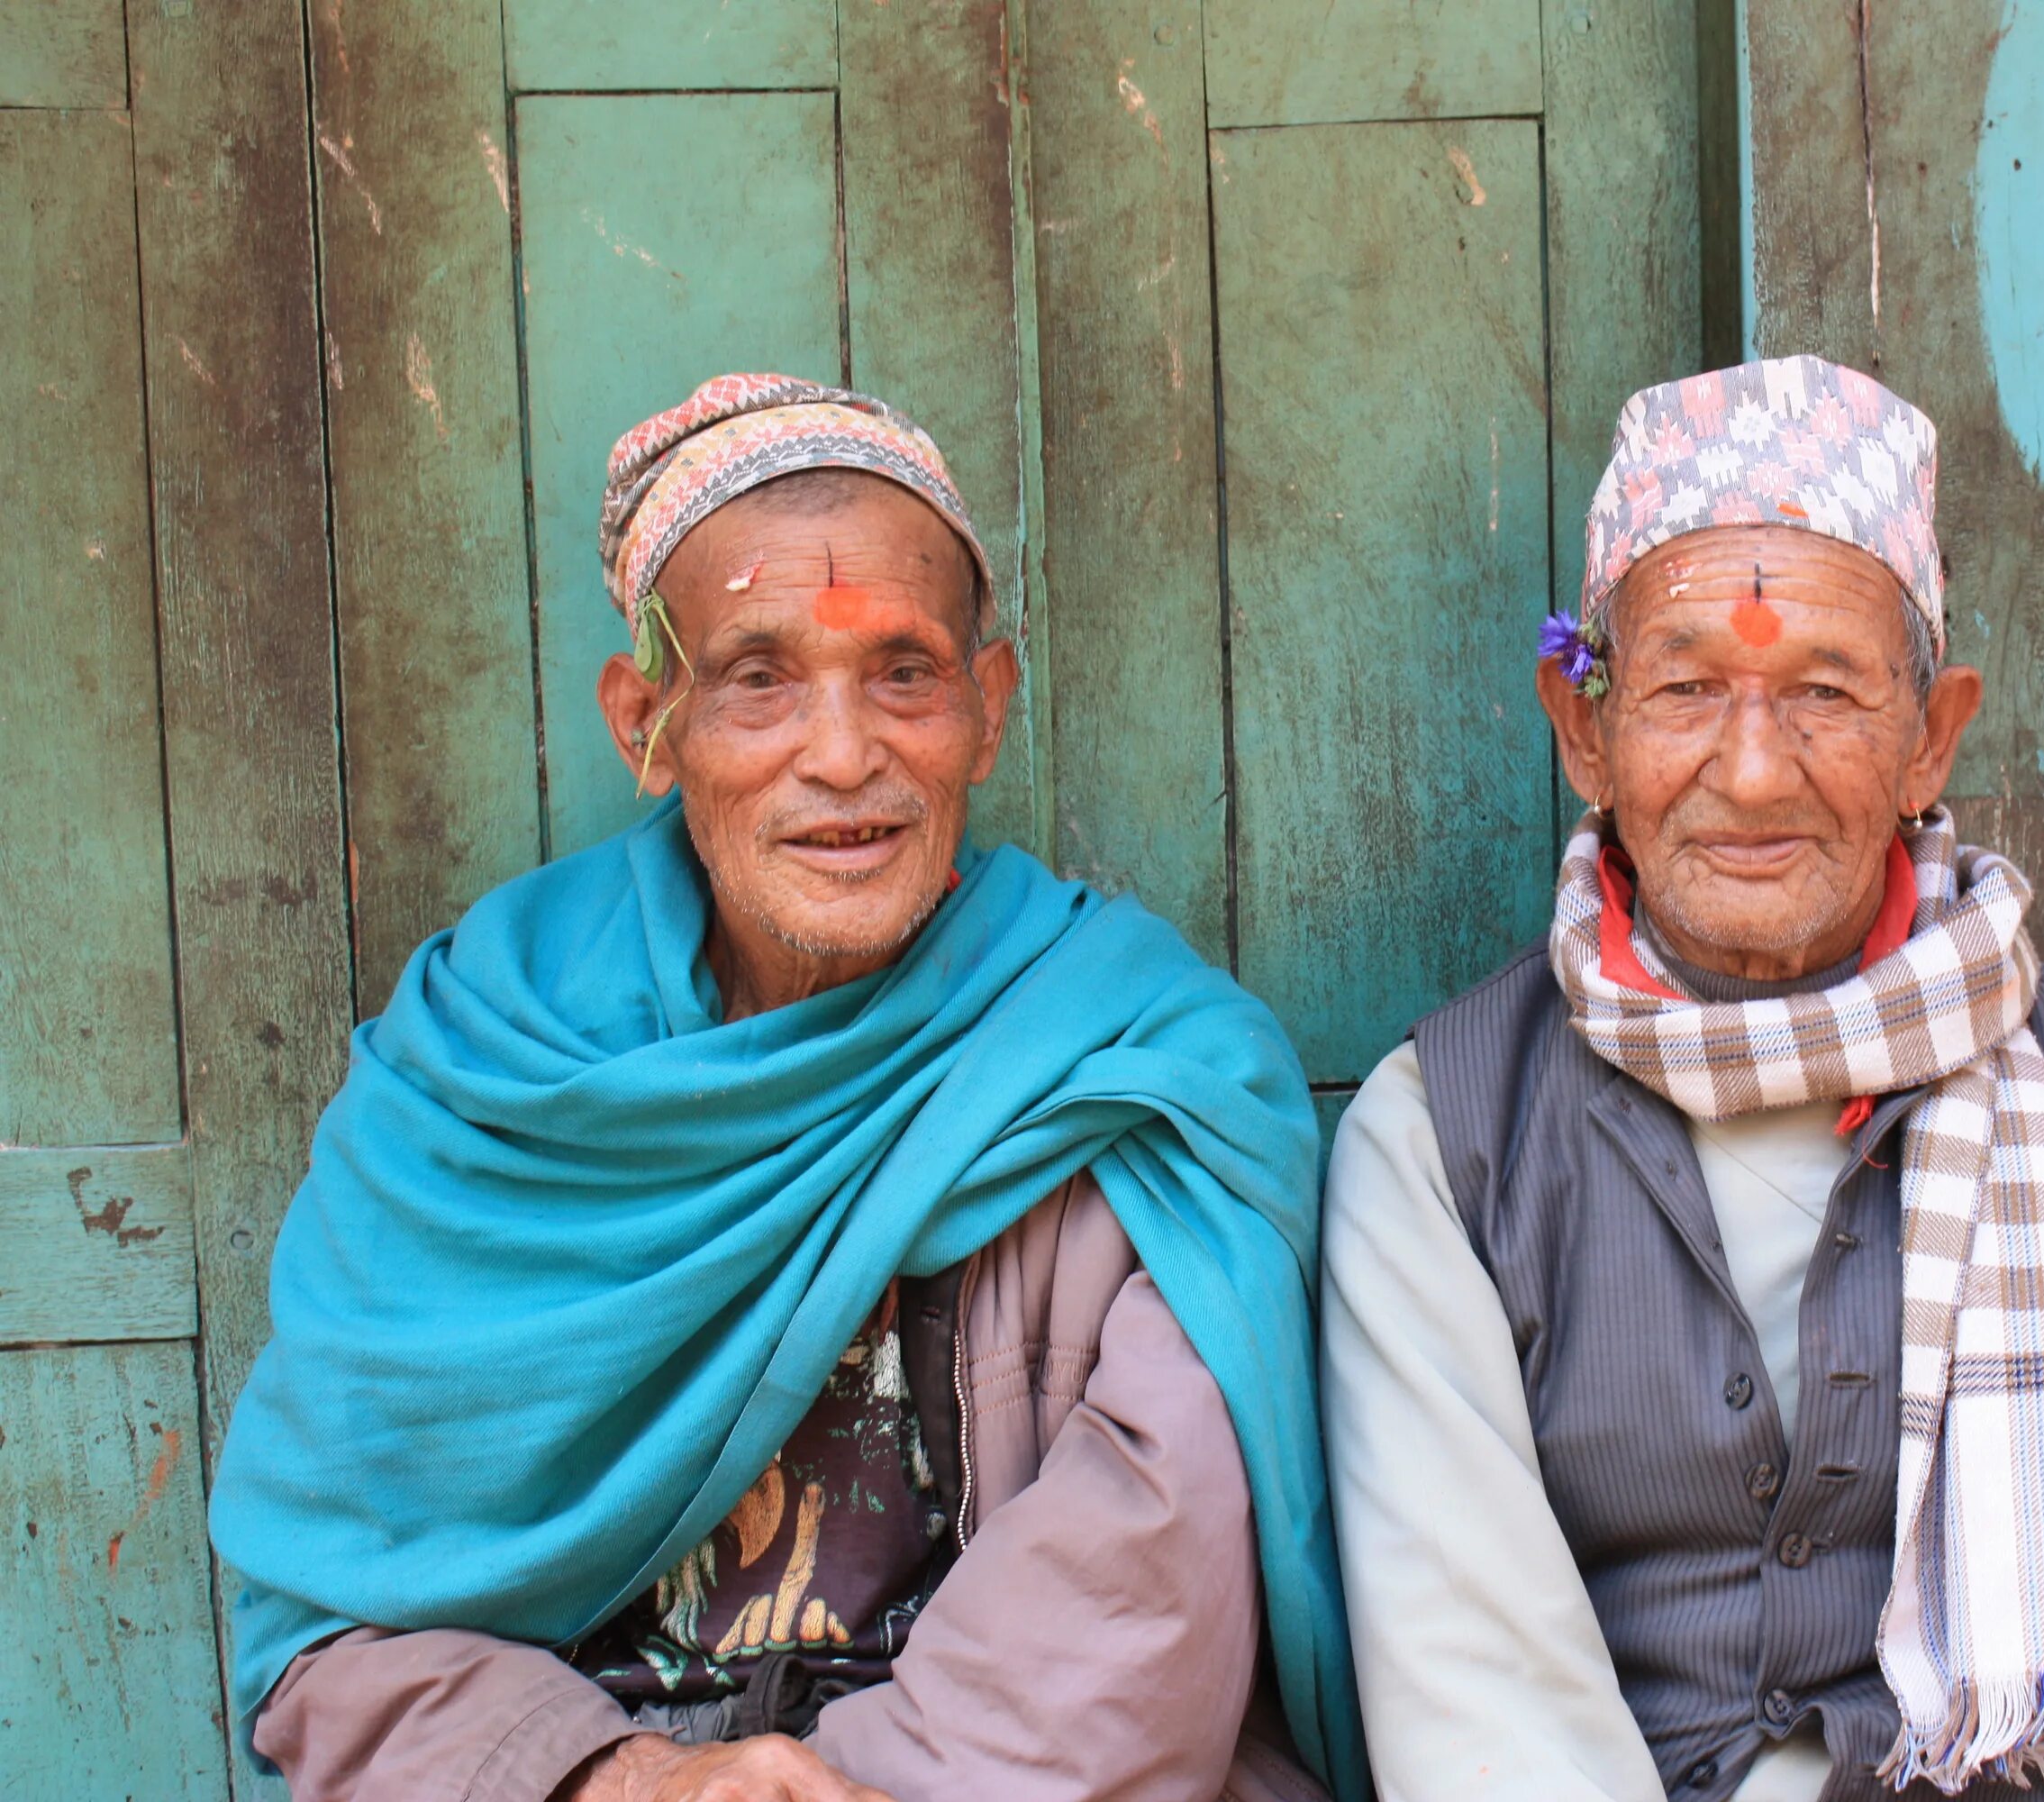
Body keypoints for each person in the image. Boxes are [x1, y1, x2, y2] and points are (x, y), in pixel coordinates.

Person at [209, 375, 1358, 1802]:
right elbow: (335, 1630)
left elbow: (1148, 1592)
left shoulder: (1132, 1063)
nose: (842, 754)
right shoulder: (469, 1080)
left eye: (903, 673)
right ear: (648, 720)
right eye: (757, 678)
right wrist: (628, 1784)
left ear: (986, 709)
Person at [1320, 355, 2044, 1800]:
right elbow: (1487, 1728)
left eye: (1826, 693)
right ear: (1584, 730)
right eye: (1683, 689)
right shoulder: (1445, 1146)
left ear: (1931, 737)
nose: (1751, 771)